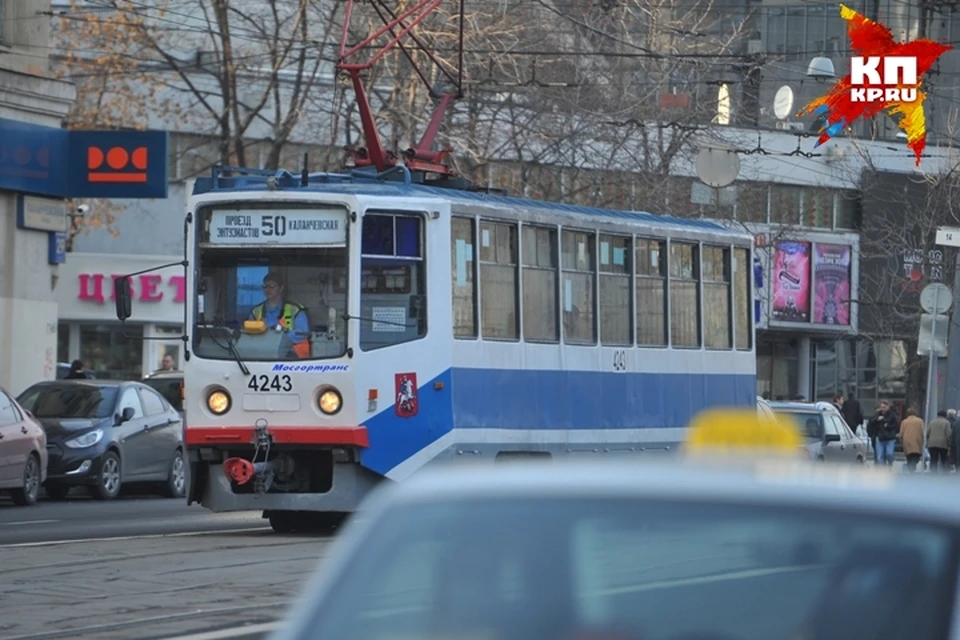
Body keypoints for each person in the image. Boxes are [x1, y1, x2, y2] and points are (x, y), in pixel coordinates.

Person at [249, 272, 311, 359]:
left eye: (272, 286)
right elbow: (248, 335)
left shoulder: (296, 310)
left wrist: (279, 339)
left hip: (292, 362)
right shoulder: (255, 311)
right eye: (265, 286)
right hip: (261, 359)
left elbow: (303, 333)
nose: (267, 289)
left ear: (281, 288)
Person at [867, 400, 899, 465]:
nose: (883, 409)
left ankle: (890, 462)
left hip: (890, 438)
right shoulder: (877, 414)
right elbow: (871, 422)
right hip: (880, 437)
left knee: (889, 454)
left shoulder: (892, 415)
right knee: (880, 456)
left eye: (884, 407)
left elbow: (896, 425)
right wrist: (877, 419)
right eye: (881, 407)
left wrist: (888, 426)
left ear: (887, 407)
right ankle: (882, 470)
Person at [899, 408, 925, 472]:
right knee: (916, 454)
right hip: (917, 440)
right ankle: (912, 466)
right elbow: (923, 431)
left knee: (909, 455)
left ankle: (910, 467)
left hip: (906, 440)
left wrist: (901, 439)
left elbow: (901, 432)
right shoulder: (920, 421)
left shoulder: (904, 421)